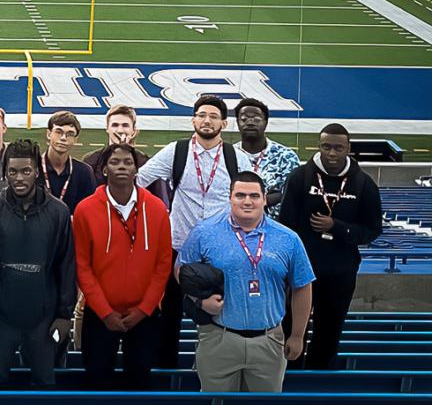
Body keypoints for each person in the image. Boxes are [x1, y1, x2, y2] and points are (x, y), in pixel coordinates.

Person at [136, 95, 252, 368]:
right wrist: (152, 215)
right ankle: (166, 371)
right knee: (171, 314)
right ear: (193, 119)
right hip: (178, 245)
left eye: (213, 116)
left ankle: (213, 371)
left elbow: (251, 195)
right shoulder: (176, 151)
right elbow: (139, 180)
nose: (207, 120)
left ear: (224, 122)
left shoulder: (235, 157)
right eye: (201, 115)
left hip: (220, 247)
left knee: (217, 312)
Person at [178, 172, 314, 392]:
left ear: (264, 199)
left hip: (269, 339)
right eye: (240, 195)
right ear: (229, 198)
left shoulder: (288, 238)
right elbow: (182, 270)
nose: (247, 201)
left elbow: (302, 286)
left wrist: (297, 335)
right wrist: (200, 301)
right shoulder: (205, 232)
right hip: (218, 337)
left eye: (254, 195)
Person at [0, 139, 75, 388]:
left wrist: (64, 315)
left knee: (45, 382)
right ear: (5, 173)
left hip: (43, 319)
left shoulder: (58, 212)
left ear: (37, 171)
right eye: (12, 171)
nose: (19, 178)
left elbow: (66, 266)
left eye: (26, 171)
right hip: (1, 317)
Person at [278, 123, 382, 370]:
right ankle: (287, 379)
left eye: (338, 147)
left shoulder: (364, 184)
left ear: (348, 148)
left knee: (330, 328)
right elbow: (285, 225)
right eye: (326, 147)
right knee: (292, 326)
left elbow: (372, 230)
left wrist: (337, 226)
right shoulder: (300, 177)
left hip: (341, 272)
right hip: (302, 272)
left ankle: (319, 379)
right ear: (319, 146)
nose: (332, 153)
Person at [72, 143, 173, 390]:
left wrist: (144, 309)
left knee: (139, 382)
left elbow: (163, 264)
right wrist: (105, 311)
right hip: (100, 314)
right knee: (97, 381)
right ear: (104, 169)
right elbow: (82, 266)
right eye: (115, 162)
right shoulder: (86, 209)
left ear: (136, 168)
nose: (121, 167)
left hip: (144, 315)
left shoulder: (157, 208)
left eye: (127, 162)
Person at [234, 98, 300, 218]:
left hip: (275, 227)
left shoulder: (286, 157)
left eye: (256, 119)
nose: (250, 122)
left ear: (266, 122)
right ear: (237, 123)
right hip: (236, 226)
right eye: (244, 119)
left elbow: (293, 195)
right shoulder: (229, 155)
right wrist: (269, 198)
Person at [41, 111, 97, 213]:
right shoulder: (32, 168)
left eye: (70, 134)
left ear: (75, 140)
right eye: (58, 132)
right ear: (49, 134)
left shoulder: (84, 172)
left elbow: (89, 210)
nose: (63, 138)